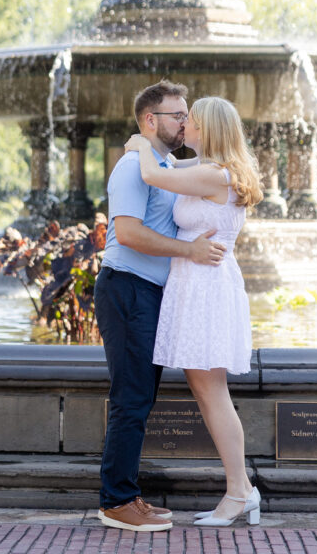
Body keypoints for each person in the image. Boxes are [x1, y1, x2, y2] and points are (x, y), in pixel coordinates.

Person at [94, 80, 227, 533]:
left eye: (187, 114)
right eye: (177, 115)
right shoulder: (134, 166)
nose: (186, 122)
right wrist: (187, 251)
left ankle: (127, 493)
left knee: (140, 396)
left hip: (147, 291)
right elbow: (128, 233)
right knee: (130, 398)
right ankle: (115, 501)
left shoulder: (163, 165)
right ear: (150, 120)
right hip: (127, 287)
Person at [125, 95, 263, 527]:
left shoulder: (213, 174)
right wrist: (153, 149)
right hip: (200, 283)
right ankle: (242, 491)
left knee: (212, 392)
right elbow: (169, 168)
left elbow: (151, 171)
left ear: (210, 129)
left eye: (193, 121)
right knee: (207, 391)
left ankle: (240, 492)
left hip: (205, 285)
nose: (185, 127)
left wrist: (139, 142)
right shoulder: (214, 170)